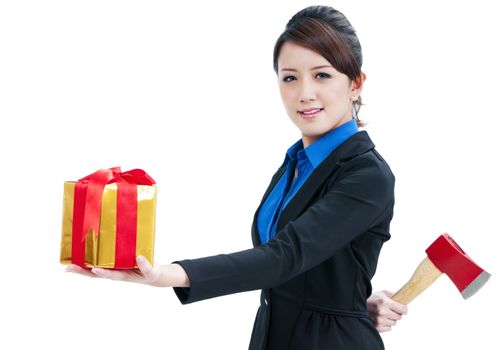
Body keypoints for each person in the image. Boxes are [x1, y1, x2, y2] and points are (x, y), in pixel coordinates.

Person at [66, 5, 408, 349]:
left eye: (322, 75)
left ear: (355, 83)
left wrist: (165, 274)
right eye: (290, 77)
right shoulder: (297, 163)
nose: (304, 93)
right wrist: (349, 304)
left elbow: (284, 256)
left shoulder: (368, 175)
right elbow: (304, 269)